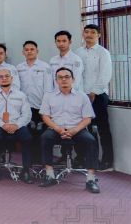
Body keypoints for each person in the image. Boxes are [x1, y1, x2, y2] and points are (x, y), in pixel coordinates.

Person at [39, 67, 100, 193]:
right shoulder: (49, 96)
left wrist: (74, 130)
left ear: (73, 79)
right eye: (60, 77)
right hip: (56, 128)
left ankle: (91, 179)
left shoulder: (82, 96)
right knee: (45, 138)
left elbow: (87, 118)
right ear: (56, 80)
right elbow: (45, 117)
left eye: (67, 77)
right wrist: (58, 129)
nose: (64, 80)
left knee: (91, 140)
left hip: (77, 129)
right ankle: (50, 175)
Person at [0, 68, 33, 183]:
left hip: (17, 124)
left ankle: (26, 170)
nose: (4, 78)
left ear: (12, 78)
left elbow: (27, 114)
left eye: (6, 76)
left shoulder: (21, 95)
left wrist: (17, 125)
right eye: (0, 77)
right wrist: (3, 125)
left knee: (27, 138)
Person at [75, 24, 113, 170]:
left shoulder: (103, 52)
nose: (89, 35)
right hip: (82, 95)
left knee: (102, 129)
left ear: (99, 35)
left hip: (98, 95)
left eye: (93, 32)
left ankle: (107, 160)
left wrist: (94, 92)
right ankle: (88, 159)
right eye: (86, 32)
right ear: (83, 34)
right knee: (85, 129)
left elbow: (105, 74)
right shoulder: (78, 52)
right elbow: (77, 75)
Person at [16, 41, 54, 124]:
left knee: (40, 127)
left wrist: (46, 106)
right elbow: (16, 86)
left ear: (37, 51)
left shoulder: (45, 67)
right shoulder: (18, 67)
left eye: (32, 49)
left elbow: (48, 88)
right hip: (24, 105)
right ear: (23, 52)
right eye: (26, 50)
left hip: (40, 105)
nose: (29, 51)